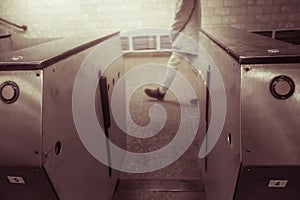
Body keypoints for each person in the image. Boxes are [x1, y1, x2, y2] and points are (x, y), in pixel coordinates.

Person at [144, 0, 201, 100]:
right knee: (197, 66)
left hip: (186, 34)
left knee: (174, 63)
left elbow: (182, 15)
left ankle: (161, 92)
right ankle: (161, 91)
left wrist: (173, 32)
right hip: (189, 33)